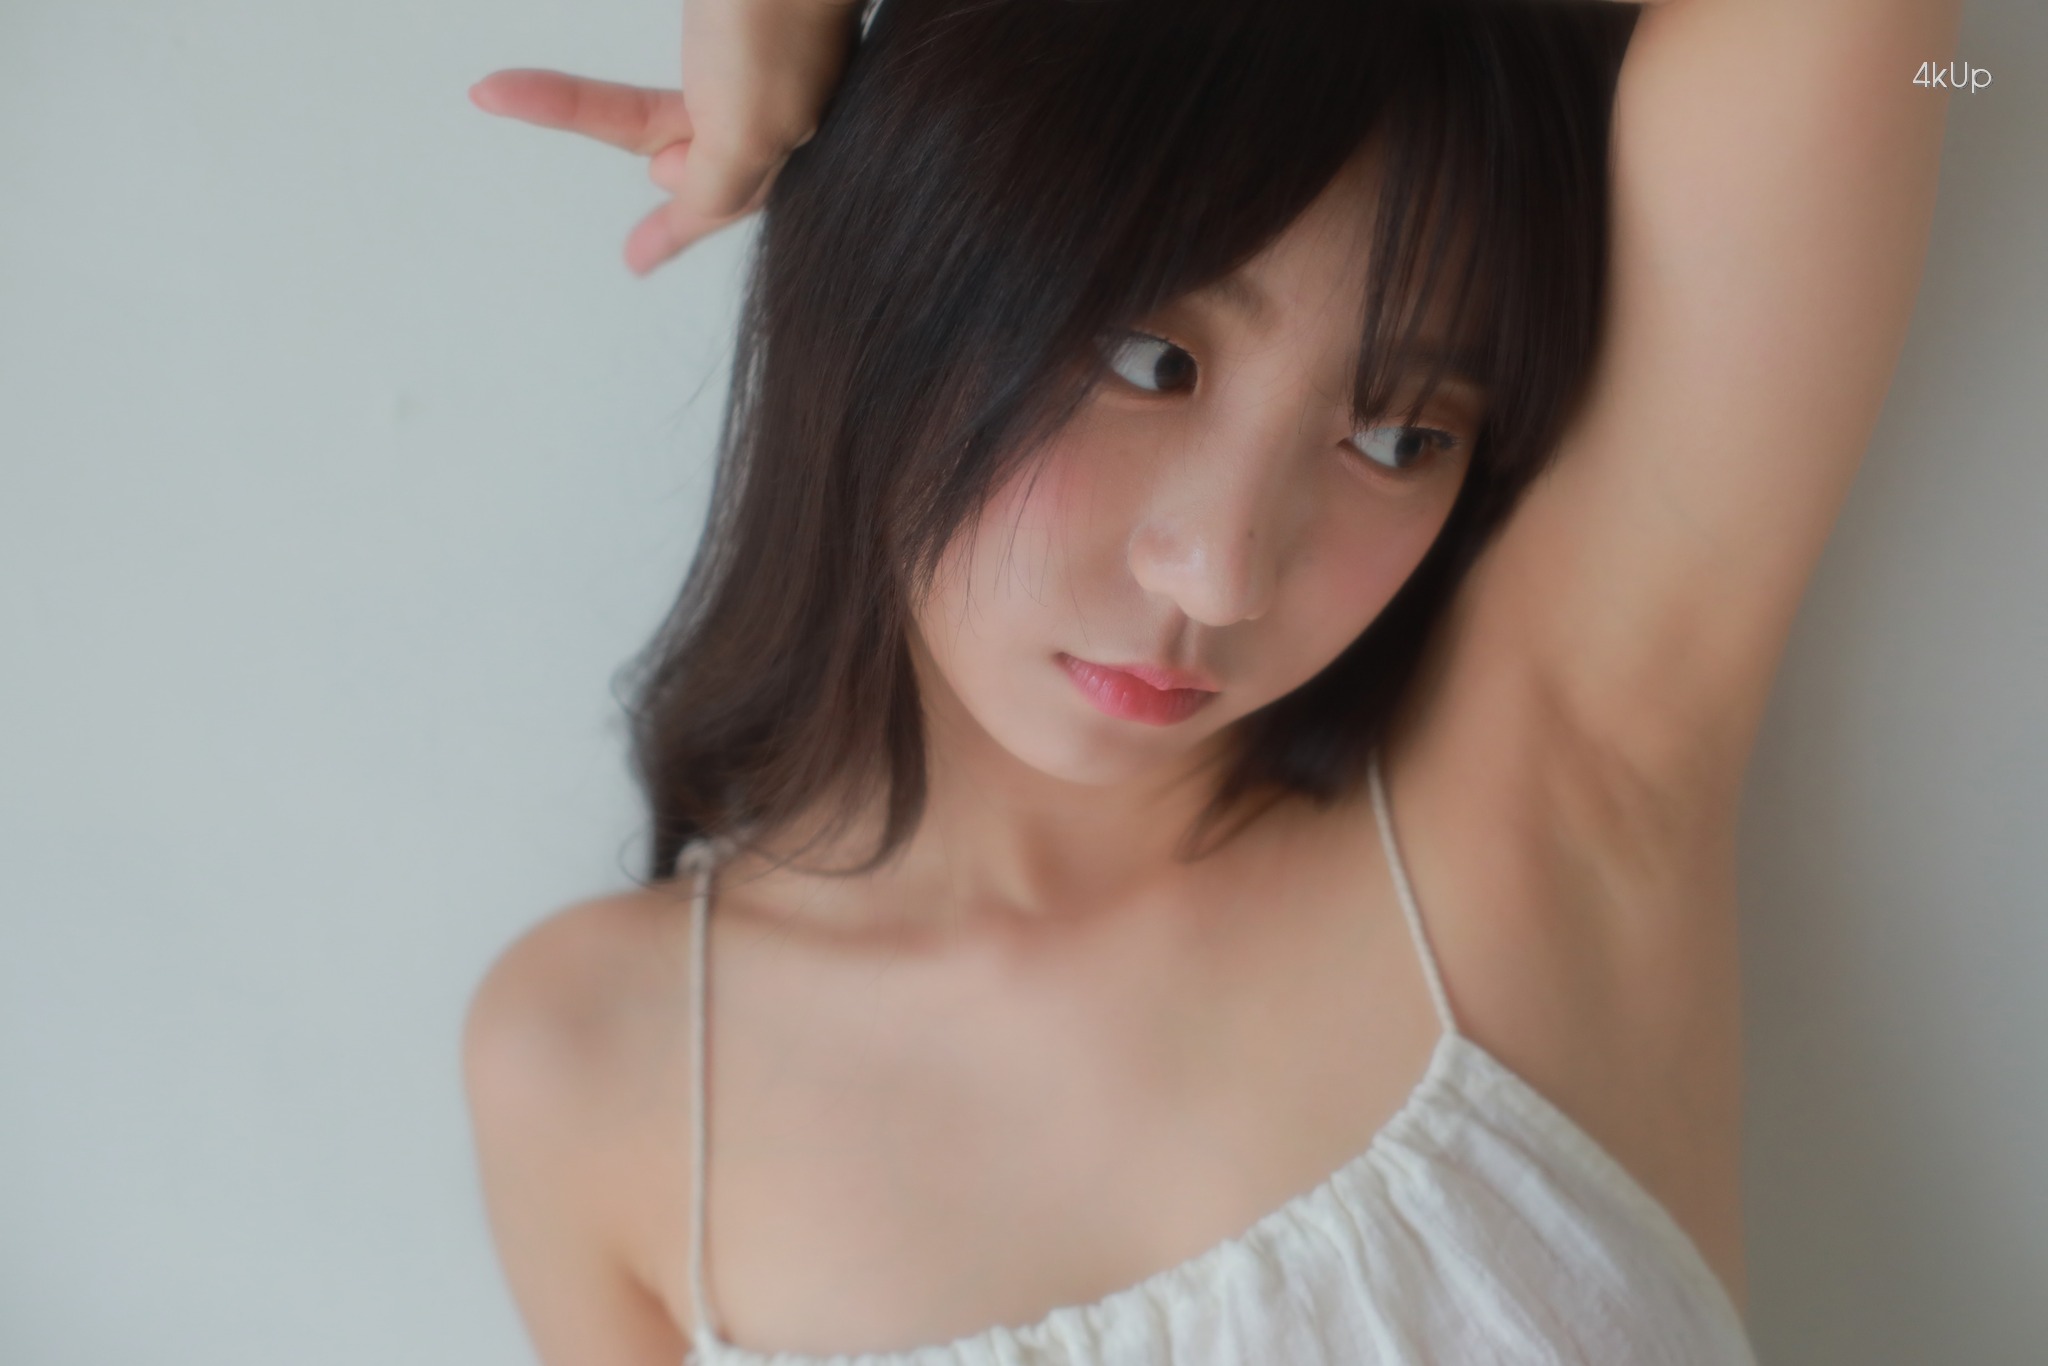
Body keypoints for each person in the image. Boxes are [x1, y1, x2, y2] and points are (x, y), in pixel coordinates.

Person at [462, 0, 1962, 1362]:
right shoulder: (598, 1067)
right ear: (902, 245)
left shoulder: (1549, 792)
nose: (1223, 575)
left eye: (1398, 438)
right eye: (1151, 361)